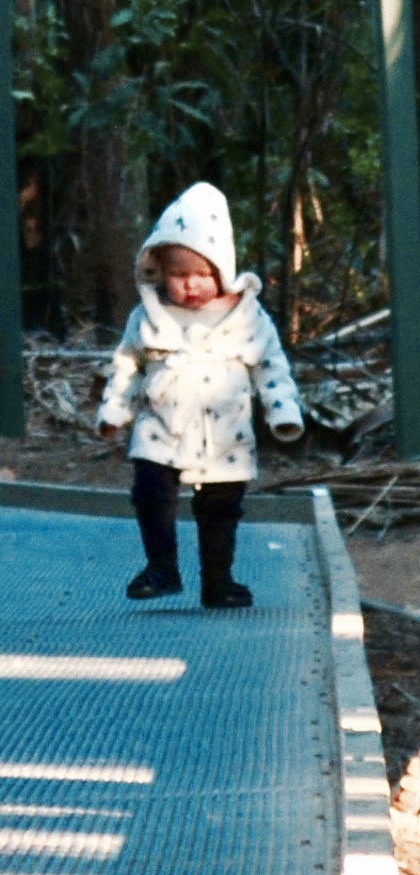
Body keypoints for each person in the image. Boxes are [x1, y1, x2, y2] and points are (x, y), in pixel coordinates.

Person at [97, 182, 305, 608]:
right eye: (178, 275)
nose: (190, 285)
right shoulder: (148, 314)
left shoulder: (247, 316)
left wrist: (282, 411)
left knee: (220, 509)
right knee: (151, 493)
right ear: (159, 271)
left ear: (222, 269)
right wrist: (114, 412)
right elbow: (127, 366)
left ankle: (218, 580)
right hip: (161, 424)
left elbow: (271, 366)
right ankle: (161, 567)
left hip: (225, 429)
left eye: (202, 274)